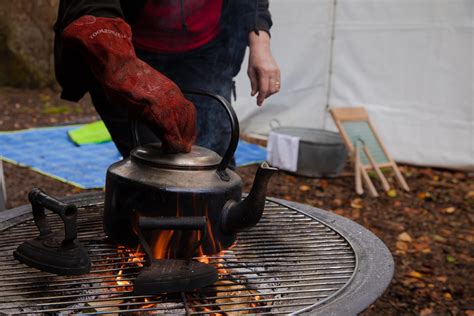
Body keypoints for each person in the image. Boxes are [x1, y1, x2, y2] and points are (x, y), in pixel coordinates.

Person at [54, 0, 280, 158]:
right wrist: (128, 72)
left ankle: (213, 224)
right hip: (133, 49)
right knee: (151, 159)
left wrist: (260, 42)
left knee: (217, 155)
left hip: (207, 51)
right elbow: (91, 7)